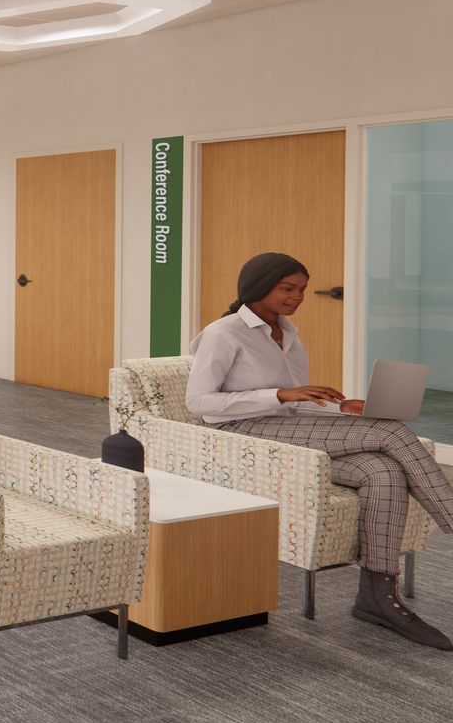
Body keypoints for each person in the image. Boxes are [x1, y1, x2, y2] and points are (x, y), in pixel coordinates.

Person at [187, 252, 453, 650]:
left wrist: (340, 407)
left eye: (302, 290)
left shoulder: (289, 335)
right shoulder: (223, 333)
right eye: (288, 289)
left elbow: (294, 403)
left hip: (288, 426)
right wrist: (277, 393)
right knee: (393, 433)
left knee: (383, 471)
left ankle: (378, 598)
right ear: (258, 287)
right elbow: (200, 402)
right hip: (243, 433)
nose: (298, 297)